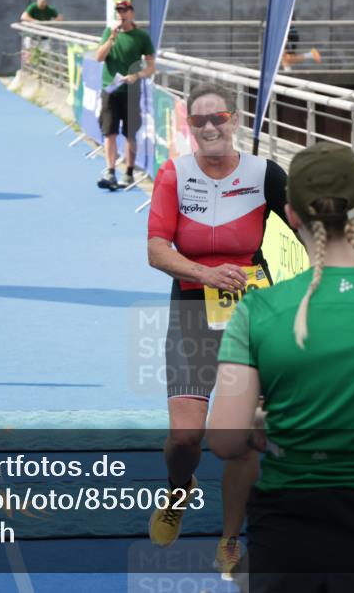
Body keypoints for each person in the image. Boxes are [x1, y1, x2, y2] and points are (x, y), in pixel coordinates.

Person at [207, 141, 354, 592]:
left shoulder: (257, 312)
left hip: (289, 533)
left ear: (291, 215)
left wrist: (261, 418)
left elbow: (224, 441)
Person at [146, 82, 290, 579]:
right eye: (200, 121)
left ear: (235, 121)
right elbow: (156, 250)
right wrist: (205, 273)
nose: (210, 128)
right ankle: (179, 487)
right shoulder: (174, 175)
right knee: (185, 438)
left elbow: (309, 222)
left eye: (219, 118)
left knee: (246, 433)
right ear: (189, 127)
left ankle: (229, 539)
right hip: (190, 309)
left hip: (249, 313)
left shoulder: (263, 173)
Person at [95, 0, 155, 189]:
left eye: (125, 10)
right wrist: (111, 39)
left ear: (132, 13)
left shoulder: (141, 37)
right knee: (109, 132)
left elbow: (152, 67)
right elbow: (99, 57)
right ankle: (111, 171)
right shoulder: (109, 33)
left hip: (131, 91)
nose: (122, 14)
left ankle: (128, 172)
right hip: (110, 90)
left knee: (130, 133)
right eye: (119, 11)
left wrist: (136, 75)